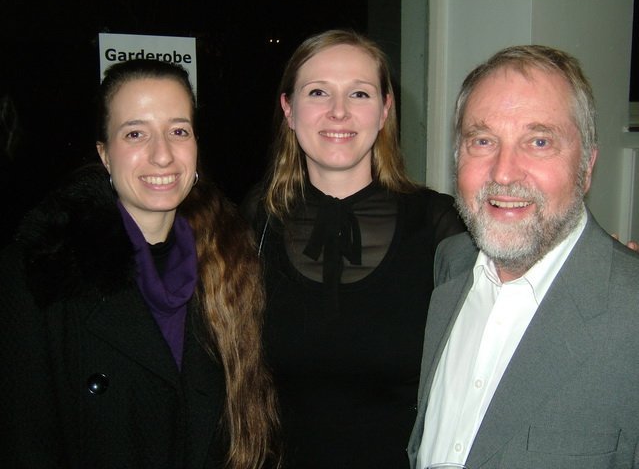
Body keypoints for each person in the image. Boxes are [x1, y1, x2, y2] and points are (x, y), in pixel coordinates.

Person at [0, 59, 279, 468]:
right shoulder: (40, 272)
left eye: (178, 131)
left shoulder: (231, 264)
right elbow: (24, 441)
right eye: (135, 133)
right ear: (105, 155)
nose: (162, 155)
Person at [241, 29, 466, 468]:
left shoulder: (439, 225)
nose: (339, 111)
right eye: (318, 92)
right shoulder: (258, 220)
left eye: (359, 93)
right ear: (289, 109)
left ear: (385, 110)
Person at [407, 45, 639, 469]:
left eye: (539, 141)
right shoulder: (450, 264)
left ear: (587, 165)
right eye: (482, 141)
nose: (503, 172)